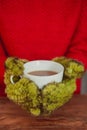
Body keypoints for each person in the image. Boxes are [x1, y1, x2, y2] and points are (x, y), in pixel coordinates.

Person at [0, 0, 87, 96]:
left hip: (64, 95)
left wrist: (65, 76)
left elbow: (82, 45)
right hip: (8, 93)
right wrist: (15, 80)